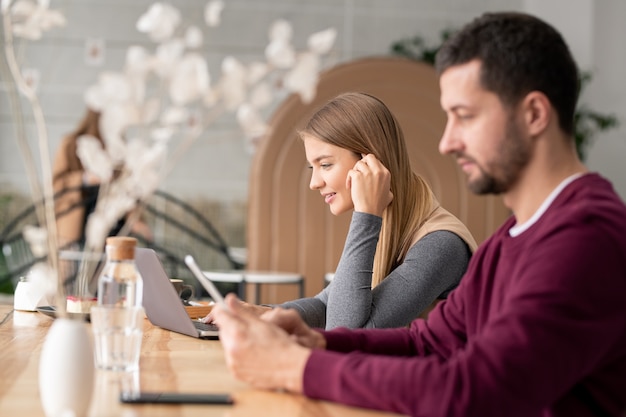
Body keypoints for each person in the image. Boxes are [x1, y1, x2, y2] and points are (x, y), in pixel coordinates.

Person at [212, 12, 626, 417]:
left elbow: (476, 390)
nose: (446, 142)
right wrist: (315, 344)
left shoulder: (587, 239)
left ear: (534, 115)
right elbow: (430, 343)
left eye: (464, 117)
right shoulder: (508, 242)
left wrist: (294, 367)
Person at [207, 92, 477, 330]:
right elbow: (327, 305)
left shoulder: (441, 245)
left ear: (370, 162)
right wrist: (265, 314)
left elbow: (345, 331)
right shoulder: (393, 222)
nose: (314, 183)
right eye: (313, 168)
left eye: (325, 165)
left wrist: (366, 216)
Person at [52, 108, 152, 249]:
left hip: (113, 222)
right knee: (79, 264)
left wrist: (135, 219)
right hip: (77, 223)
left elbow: (127, 189)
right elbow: (57, 184)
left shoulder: (120, 150)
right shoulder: (71, 144)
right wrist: (85, 178)